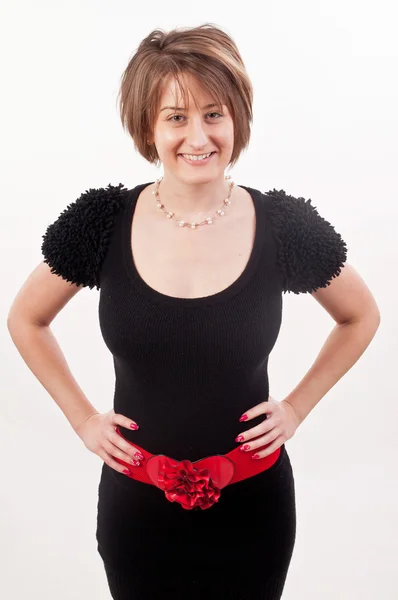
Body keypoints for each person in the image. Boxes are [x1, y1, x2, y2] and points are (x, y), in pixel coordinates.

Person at [7, 23, 380, 600]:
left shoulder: (282, 225)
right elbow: (26, 319)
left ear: (238, 120)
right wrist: (83, 419)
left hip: (254, 510)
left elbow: (361, 316)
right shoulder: (102, 221)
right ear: (148, 128)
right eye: (176, 117)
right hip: (136, 513)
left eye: (214, 114)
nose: (198, 136)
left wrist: (297, 409)